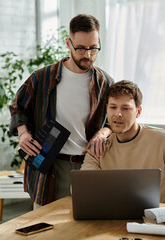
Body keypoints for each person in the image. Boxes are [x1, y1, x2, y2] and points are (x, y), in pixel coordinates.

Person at [9, 14, 114, 207]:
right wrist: (23, 134)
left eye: (93, 48)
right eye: (81, 48)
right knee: (44, 229)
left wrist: (103, 133)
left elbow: (113, 121)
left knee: (88, 230)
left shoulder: (105, 82)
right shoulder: (42, 78)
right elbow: (18, 107)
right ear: (68, 42)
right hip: (50, 166)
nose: (88, 55)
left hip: (90, 164)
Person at [81, 80, 165, 204]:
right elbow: (83, 186)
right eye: (113, 107)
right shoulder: (98, 148)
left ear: (138, 112)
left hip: (162, 222)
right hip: (117, 219)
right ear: (107, 109)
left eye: (125, 108)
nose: (118, 114)